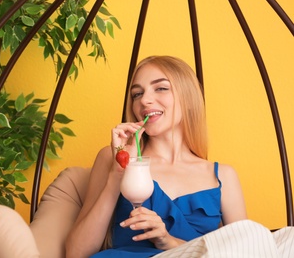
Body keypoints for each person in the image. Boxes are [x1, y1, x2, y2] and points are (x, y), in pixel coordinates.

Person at [65, 55, 293, 257]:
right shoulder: (114, 156)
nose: (144, 100)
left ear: (188, 98)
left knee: (286, 239)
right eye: (137, 94)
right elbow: (76, 253)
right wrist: (119, 172)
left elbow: (245, 249)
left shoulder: (223, 175)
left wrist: (168, 241)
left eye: (161, 88)